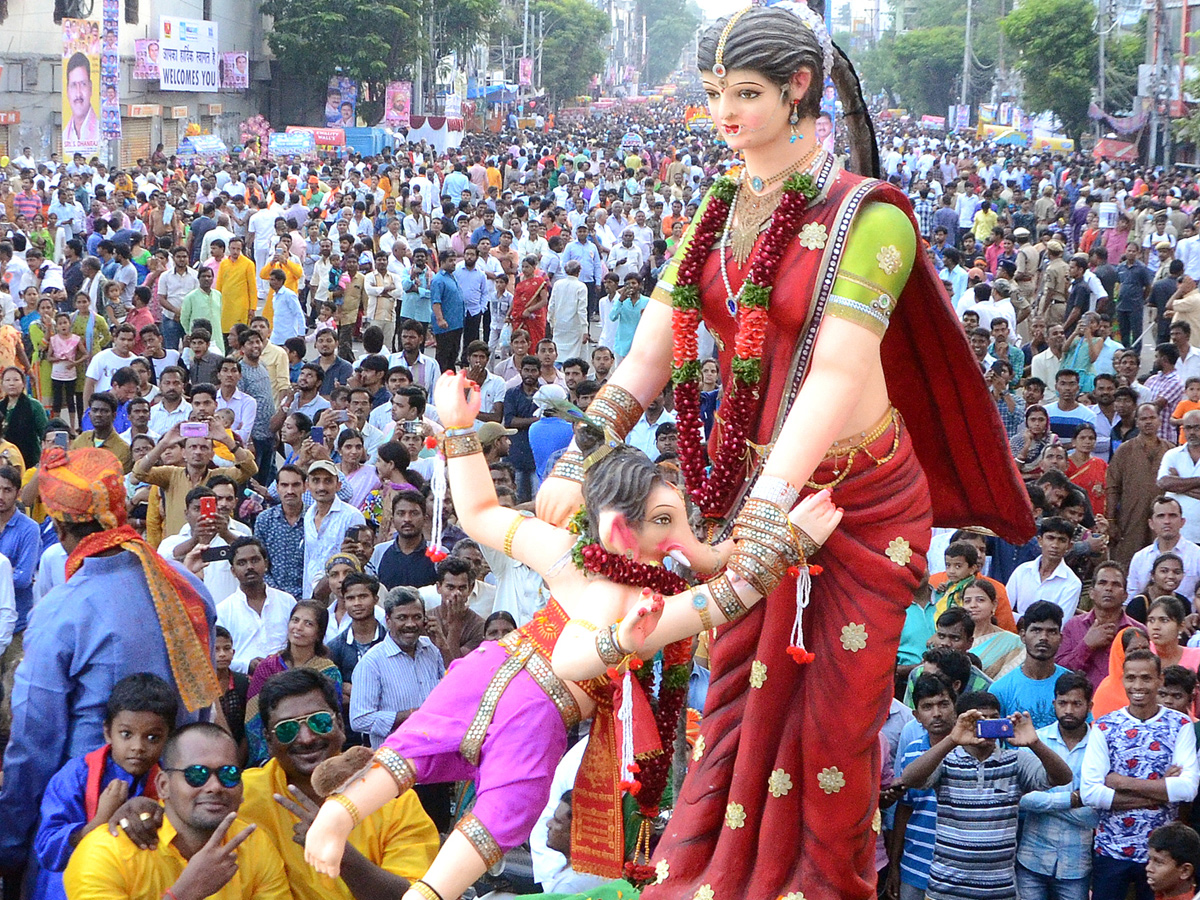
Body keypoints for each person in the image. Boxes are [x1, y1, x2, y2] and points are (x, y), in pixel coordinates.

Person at [303, 379, 842, 900]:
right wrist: (459, 430)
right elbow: (573, 648)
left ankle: (423, 891)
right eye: (662, 522)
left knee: (490, 794)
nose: (678, 539)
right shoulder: (614, 587)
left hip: (514, 685)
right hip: (535, 696)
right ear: (616, 530)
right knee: (438, 756)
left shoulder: (596, 569)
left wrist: (786, 538)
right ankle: (342, 817)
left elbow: (720, 582)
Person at [0, 447, 218, 872]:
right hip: (179, 813)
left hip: (89, 816)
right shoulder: (187, 586)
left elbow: (34, 741)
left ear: (61, 529)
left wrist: (12, 844)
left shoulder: (63, 609)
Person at [62, 722, 291, 900]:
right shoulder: (106, 853)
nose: (214, 786)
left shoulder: (254, 846)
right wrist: (183, 894)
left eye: (229, 774)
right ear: (163, 785)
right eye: (196, 774)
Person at [896, 691, 1073, 900]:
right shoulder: (946, 760)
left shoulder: (1016, 761)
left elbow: (1063, 777)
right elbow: (909, 779)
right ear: (962, 722)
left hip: (998, 891)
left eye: (993, 718)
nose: (987, 726)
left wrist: (1035, 743)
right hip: (946, 890)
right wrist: (952, 740)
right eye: (979, 720)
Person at [32, 673, 178, 900]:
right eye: (126, 734)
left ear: (168, 739)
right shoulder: (76, 776)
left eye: (152, 737)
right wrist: (100, 822)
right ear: (108, 732)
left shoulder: (168, 784)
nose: (138, 747)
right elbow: (47, 849)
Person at [1082, 650, 1200, 900]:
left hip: (1160, 857)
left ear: (1159, 680)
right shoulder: (1104, 726)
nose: (1138, 686)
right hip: (1111, 851)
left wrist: (1122, 783)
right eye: (1131, 678)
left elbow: (1188, 788)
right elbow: (1091, 793)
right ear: (1122, 680)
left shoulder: (1180, 725)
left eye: (1146, 678)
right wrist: (1160, 791)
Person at [1014, 672, 1100, 900]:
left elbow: (1094, 814)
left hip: (1076, 867)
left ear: (1090, 705)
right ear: (1054, 703)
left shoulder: (1100, 747)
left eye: (1077, 703)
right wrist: (1073, 799)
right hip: (1032, 860)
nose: (1069, 710)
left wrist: (1046, 802)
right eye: (1063, 703)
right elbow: (1022, 799)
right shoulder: (1034, 741)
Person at [244, 600, 343, 765]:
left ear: (319, 633)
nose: (298, 627)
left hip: (318, 751)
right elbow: (253, 720)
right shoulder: (267, 667)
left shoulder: (328, 671)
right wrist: (269, 759)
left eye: (308, 623)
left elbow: (331, 719)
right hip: (273, 754)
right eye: (295, 620)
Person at [347, 586, 445, 750]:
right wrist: (411, 715)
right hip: (394, 761)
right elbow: (359, 719)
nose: (410, 624)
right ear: (388, 620)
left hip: (434, 753)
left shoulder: (432, 650)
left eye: (417, 617)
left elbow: (451, 692)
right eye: (402, 617)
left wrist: (443, 644)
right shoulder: (372, 662)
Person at [888, 673, 956, 900]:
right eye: (927, 707)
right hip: (915, 865)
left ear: (955, 707)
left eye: (943, 704)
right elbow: (904, 809)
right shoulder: (912, 751)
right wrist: (895, 865)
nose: (937, 714)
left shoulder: (973, 749)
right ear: (916, 715)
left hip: (959, 870)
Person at [1058, 560, 1144, 688]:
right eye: (1102, 583)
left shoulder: (1138, 632)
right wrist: (1086, 646)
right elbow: (1059, 672)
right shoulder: (1073, 626)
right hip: (1081, 704)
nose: (1108, 588)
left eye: (1116, 584)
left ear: (1125, 596)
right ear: (1091, 593)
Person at [216, 537, 295, 675]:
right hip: (244, 683)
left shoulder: (287, 601)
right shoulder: (223, 611)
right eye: (242, 563)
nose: (249, 567)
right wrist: (246, 666)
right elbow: (217, 656)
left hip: (287, 678)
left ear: (265, 563)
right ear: (233, 571)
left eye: (255, 560)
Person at [1110, 404, 1174, 566]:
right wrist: (1110, 520)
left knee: (1164, 562)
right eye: (1143, 418)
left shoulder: (1171, 451)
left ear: (1159, 421)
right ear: (1136, 422)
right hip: (1131, 517)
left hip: (1163, 519)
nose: (1148, 422)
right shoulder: (1125, 450)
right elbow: (1112, 487)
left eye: (1152, 418)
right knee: (1128, 562)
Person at [991, 601, 1071, 728]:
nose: (1043, 637)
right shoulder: (1001, 689)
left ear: (1061, 638)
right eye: (1036, 630)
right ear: (1023, 636)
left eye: (1051, 632)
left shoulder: (1073, 685)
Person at [302, 460, 365, 598]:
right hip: (312, 594)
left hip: (340, 595)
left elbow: (358, 561)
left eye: (328, 481)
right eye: (316, 481)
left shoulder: (352, 516)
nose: (321, 487)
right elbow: (309, 559)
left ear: (338, 485)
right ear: (307, 486)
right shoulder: (308, 515)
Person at [1005, 517, 1082, 618]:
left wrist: (1019, 619)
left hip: (1049, 633)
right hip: (1014, 631)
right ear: (1040, 540)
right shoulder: (1022, 571)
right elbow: (1004, 608)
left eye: (1061, 540)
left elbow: (1061, 623)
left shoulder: (1072, 583)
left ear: (1069, 546)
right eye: (1050, 538)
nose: (1055, 545)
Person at [1127, 496, 1200, 598]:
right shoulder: (1140, 558)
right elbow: (1131, 599)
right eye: (1161, 516)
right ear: (1151, 523)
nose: (1167, 521)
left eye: (1172, 516)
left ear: (1182, 522)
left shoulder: (1197, 556)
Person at [368, 489, 437, 590]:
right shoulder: (378, 552)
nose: (407, 519)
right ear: (393, 519)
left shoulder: (438, 553)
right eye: (401, 513)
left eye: (414, 513)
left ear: (425, 518)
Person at [961, 578, 1026, 679]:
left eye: (980, 600)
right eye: (967, 601)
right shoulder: (956, 639)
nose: (973, 605)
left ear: (994, 605)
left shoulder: (1013, 643)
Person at [1159, 410, 1200, 544]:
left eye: (1197, 427)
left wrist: (1178, 485)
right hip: (1179, 535)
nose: (1192, 432)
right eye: (1188, 428)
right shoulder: (1173, 455)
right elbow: (1164, 483)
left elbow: (1171, 485)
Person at [1145, 823, 1200, 900]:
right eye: (1150, 860)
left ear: (1185, 871)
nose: (1148, 868)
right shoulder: (1160, 894)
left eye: (1158, 862)